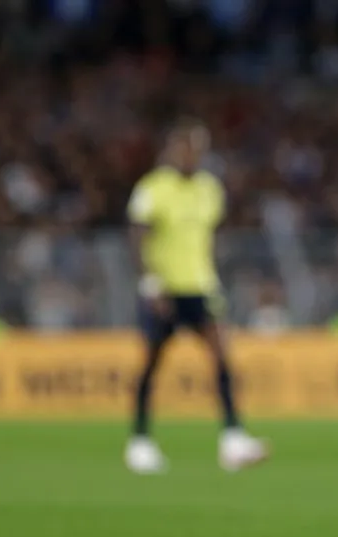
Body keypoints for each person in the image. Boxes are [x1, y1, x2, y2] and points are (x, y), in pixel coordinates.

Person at [124, 119, 268, 474]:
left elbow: (207, 238)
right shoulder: (153, 188)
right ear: (173, 149)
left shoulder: (209, 189)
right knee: (153, 362)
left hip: (201, 287)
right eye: (186, 147)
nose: (192, 155)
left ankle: (232, 438)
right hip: (165, 290)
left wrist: (212, 277)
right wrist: (150, 283)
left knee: (221, 357)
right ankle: (140, 440)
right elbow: (137, 236)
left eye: (198, 148)